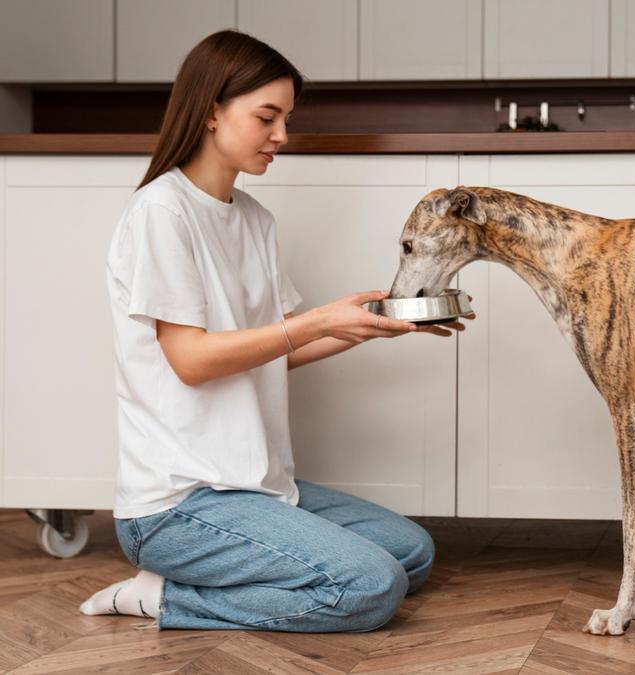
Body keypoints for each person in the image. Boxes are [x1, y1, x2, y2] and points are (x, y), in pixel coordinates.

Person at [79, 30, 466, 632]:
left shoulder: (255, 220)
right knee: (370, 585)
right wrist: (315, 320)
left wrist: (374, 325)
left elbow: (271, 352)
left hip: (255, 484)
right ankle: (161, 597)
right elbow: (192, 360)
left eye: (286, 118)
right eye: (267, 117)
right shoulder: (162, 214)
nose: (282, 136)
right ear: (211, 111)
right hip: (178, 504)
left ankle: (221, 575)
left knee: (410, 552)